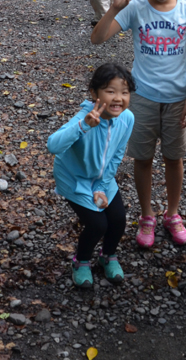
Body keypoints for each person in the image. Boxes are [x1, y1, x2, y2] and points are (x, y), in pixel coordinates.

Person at [91, 0, 186, 249]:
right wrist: (114, 9)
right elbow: (98, 38)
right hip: (142, 97)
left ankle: (173, 214)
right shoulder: (136, 8)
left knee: (174, 157)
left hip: (178, 98)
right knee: (142, 158)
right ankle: (147, 215)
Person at [48, 63, 136, 289]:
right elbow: (53, 146)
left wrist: (102, 186)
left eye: (124, 92)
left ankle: (108, 255)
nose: (118, 98)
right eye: (111, 91)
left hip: (102, 178)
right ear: (94, 93)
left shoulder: (127, 118)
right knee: (97, 225)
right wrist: (83, 126)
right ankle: (81, 261)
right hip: (73, 180)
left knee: (117, 220)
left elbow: (117, 155)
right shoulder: (84, 117)